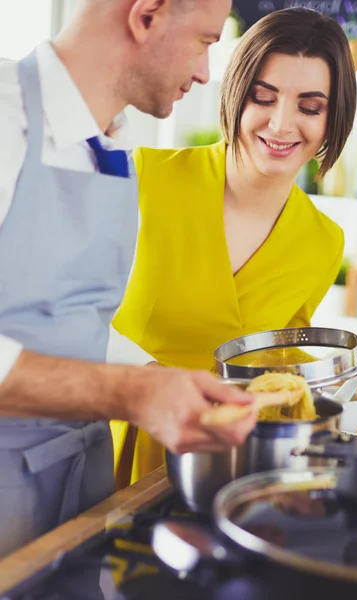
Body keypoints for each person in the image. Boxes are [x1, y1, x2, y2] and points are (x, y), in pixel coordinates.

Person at [111, 7, 357, 485]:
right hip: (122, 445)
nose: (281, 125)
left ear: (332, 117)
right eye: (263, 97)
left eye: (310, 106)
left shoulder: (322, 239)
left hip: (231, 464)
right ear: (236, 93)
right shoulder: (142, 179)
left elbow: (282, 361)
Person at [0, 0, 257, 558]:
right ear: (146, 17)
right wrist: (134, 392)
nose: (206, 73)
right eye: (206, 42)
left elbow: (70, 318)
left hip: (76, 490)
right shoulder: (3, 121)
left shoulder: (108, 150)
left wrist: (164, 380)